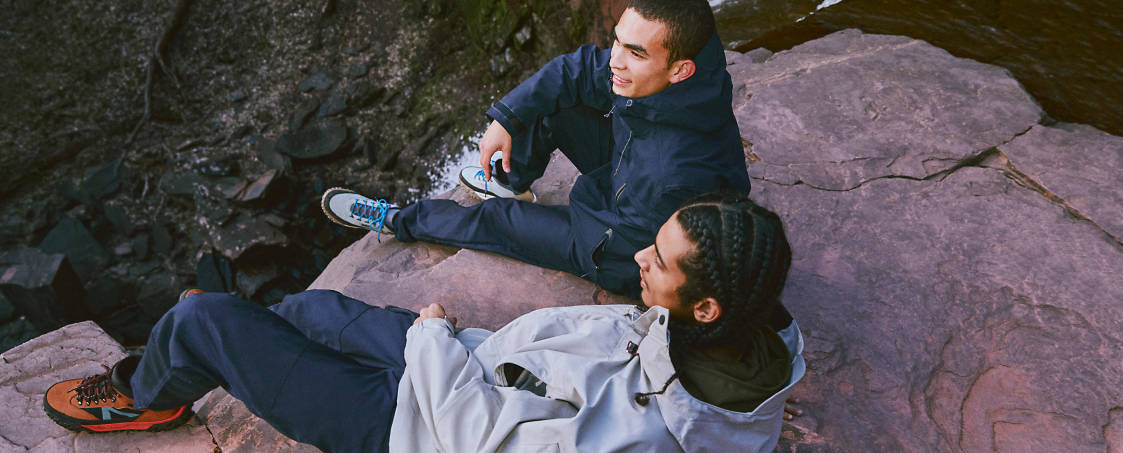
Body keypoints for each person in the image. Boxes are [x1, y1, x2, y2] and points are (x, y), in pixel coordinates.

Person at [43, 193, 805, 452]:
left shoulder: (641, 435)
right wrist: (440, 343)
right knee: (307, 308)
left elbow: (475, 437)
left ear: (703, 306)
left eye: (660, 259)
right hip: (454, 365)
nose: (640, 255)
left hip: (410, 427)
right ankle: (219, 347)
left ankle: (149, 393)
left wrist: (431, 336)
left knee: (207, 316)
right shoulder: (727, 327)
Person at [321, 0, 749, 297]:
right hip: (629, 168)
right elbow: (578, 69)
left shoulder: (670, 174)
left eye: (634, 53)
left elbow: (629, 245)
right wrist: (506, 116)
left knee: (499, 221)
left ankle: (396, 220)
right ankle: (513, 181)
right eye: (617, 40)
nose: (616, 60)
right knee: (549, 107)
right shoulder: (690, 53)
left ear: (679, 69)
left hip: (620, 243)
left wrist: (551, 220)